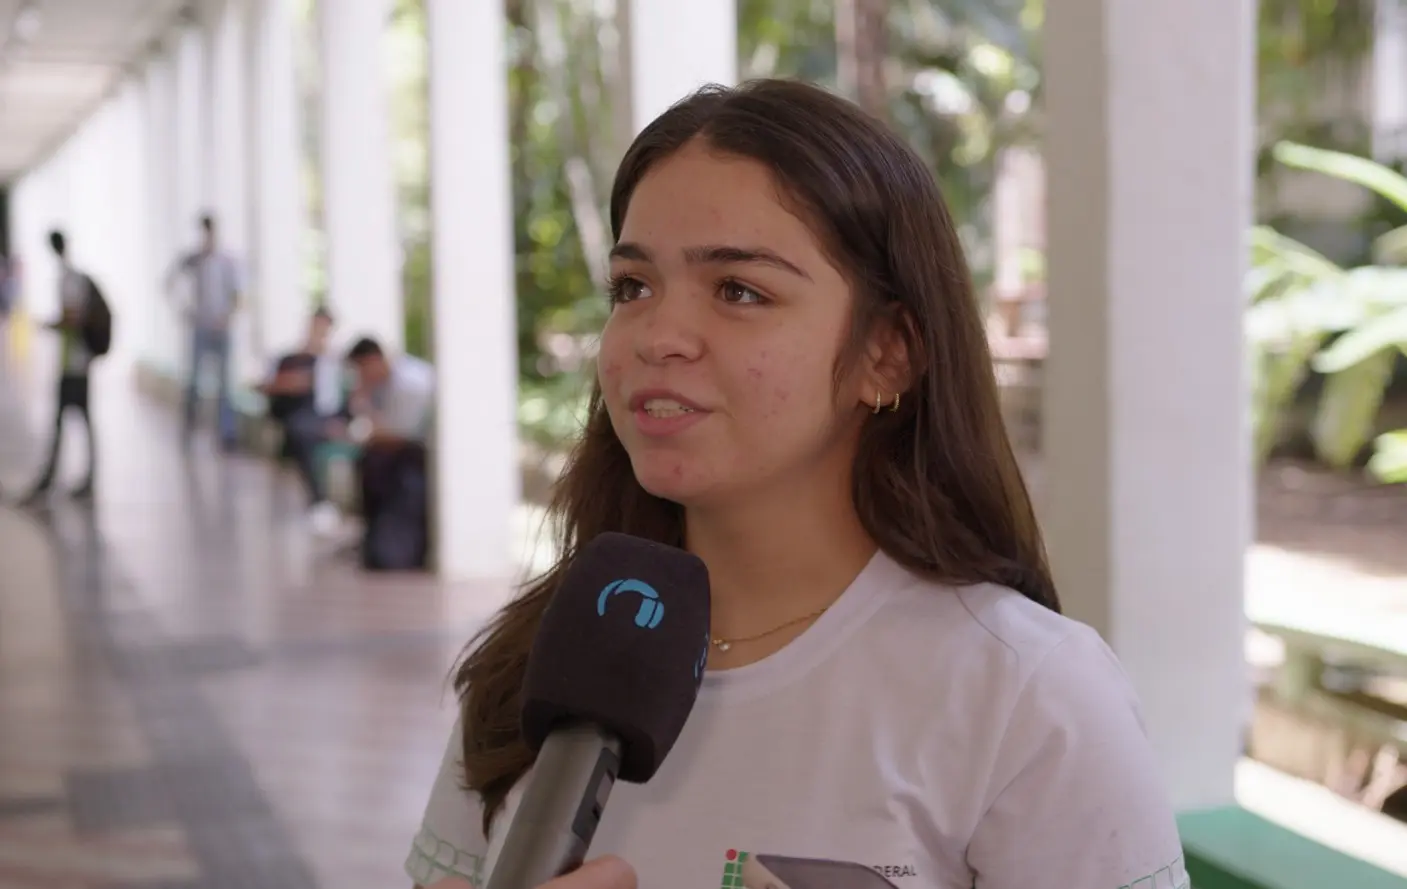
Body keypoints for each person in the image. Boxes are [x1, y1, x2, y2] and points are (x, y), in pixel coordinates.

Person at [406, 80, 1185, 889]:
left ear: (888, 352)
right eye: (633, 287)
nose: (658, 336)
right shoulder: (540, 660)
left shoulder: (1025, 693)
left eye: (740, 290)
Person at [343, 337, 436, 569]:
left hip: (416, 456)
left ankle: (394, 549)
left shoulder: (410, 383)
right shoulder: (384, 383)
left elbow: (400, 435)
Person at [257, 306, 347, 533]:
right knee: (300, 430)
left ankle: (319, 501)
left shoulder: (334, 362)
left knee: (302, 432)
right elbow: (263, 385)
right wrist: (288, 384)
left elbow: (341, 400)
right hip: (293, 416)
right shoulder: (288, 359)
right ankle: (319, 502)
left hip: (322, 418)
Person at [22, 231, 97, 504]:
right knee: (76, 421)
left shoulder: (70, 279)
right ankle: (59, 477)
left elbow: (73, 318)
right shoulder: (71, 277)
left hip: (75, 363)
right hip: (74, 362)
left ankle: (55, 478)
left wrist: (51, 325)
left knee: (71, 421)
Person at [167, 213, 242, 450]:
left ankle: (226, 432)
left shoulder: (227, 261)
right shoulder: (193, 260)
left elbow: (237, 294)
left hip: (220, 327)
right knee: (194, 382)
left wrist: (227, 316)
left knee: (225, 383)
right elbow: (170, 282)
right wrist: (184, 309)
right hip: (200, 326)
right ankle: (189, 426)